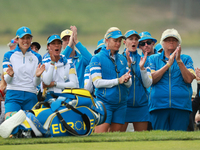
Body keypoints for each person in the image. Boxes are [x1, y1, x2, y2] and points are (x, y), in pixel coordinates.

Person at [148, 28, 196, 131]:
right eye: (167, 40)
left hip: (181, 106)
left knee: (178, 140)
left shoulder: (186, 59)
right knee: (160, 139)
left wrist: (178, 61)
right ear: (162, 43)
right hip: (159, 106)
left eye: (174, 40)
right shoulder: (153, 59)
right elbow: (152, 79)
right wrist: (168, 65)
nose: (171, 42)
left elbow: (189, 79)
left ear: (179, 43)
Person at [89, 27, 132, 133]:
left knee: (115, 138)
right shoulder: (97, 58)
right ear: (107, 40)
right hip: (104, 103)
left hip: (121, 104)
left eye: (119, 41)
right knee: (100, 137)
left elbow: (128, 84)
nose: (118, 43)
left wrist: (126, 80)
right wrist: (118, 80)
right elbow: (97, 83)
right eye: (115, 40)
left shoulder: (122, 59)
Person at [2, 26, 45, 119]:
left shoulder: (37, 57)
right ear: (17, 39)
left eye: (28, 38)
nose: (25, 41)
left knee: (30, 126)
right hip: (13, 93)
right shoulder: (8, 55)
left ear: (31, 39)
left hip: (31, 94)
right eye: (23, 38)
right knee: (9, 121)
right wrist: (10, 75)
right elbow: (7, 80)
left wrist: (38, 77)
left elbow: (36, 83)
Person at [120, 30, 152, 132]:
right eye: (130, 39)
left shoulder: (144, 59)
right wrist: (128, 66)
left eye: (136, 39)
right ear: (124, 42)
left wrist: (142, 68)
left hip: (141, 104)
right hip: (123, 104)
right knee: (118, 139)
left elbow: (147, 84)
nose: (133, 42)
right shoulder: (119, 59)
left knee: (142, 140)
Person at [41, 34, 78, 100]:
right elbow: (46, 82)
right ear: (48, 46)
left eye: (59, 43)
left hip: (64, 97)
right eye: (53, 43)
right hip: (48, 97)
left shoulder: (69, 63)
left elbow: (73, 84)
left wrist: (55, 84)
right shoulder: (44, 63)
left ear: (61, 46)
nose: (56, 45)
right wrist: (52, 62)